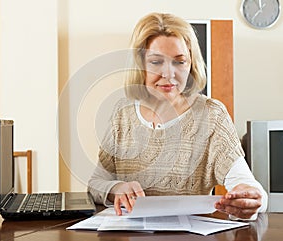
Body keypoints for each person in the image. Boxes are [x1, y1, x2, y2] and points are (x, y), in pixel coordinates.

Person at [88, 12, 267, 220]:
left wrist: (252, 197)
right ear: (141, 65)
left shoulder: (211, 115)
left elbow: (248, 185)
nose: (169, 74)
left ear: (191, 64)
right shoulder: (123, 114)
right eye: (156, 62)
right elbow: (96, 184)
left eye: (179, 62)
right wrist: (116, 188)